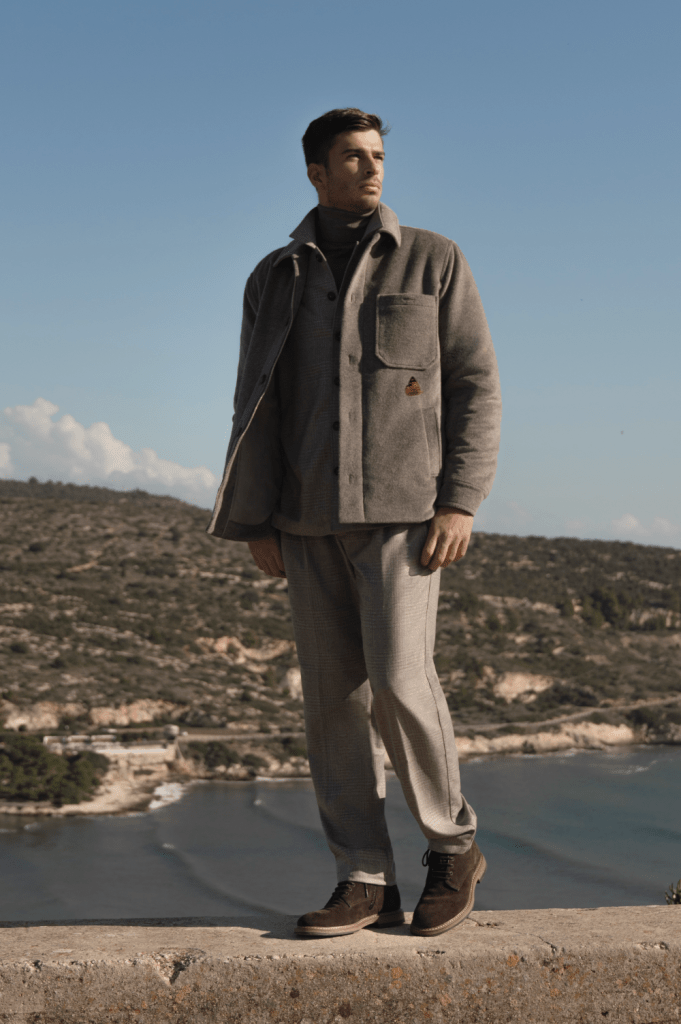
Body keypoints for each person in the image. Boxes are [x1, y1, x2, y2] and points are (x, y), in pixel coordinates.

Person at [207, 108, 502, 938]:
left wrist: (460, 499)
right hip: (303, 521)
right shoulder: (273, 277)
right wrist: (255, 518)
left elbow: (475, 383)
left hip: (405, 519)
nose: (371, 168)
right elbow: (255, 402)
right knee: (333, 705)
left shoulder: (433, 259)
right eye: (352, 156)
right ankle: (365, 877)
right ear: (316, 172)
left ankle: (453, 848)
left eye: (377, 155)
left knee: (402, 682)